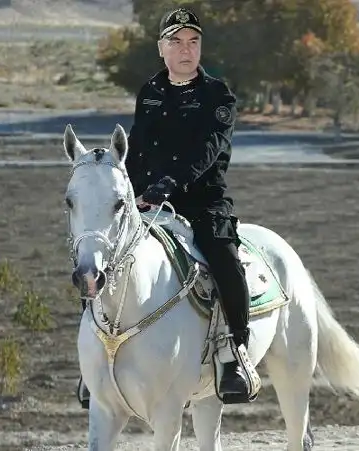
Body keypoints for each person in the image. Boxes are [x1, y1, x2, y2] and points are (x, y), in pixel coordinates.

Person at [76, 6, 257, 408]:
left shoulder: (218, 95)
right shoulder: (151, 93)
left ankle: (237, 354)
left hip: (203, 201)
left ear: (200, 48)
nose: (185, 50)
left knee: (224, 257)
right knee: (99, 255)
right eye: (175, 42)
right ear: (162, 49)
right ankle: (92, 364)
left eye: (193, 42)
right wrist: (131, 191)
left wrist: (169, 184)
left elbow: (209, 150)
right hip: (151, 201)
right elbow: (138, 149)